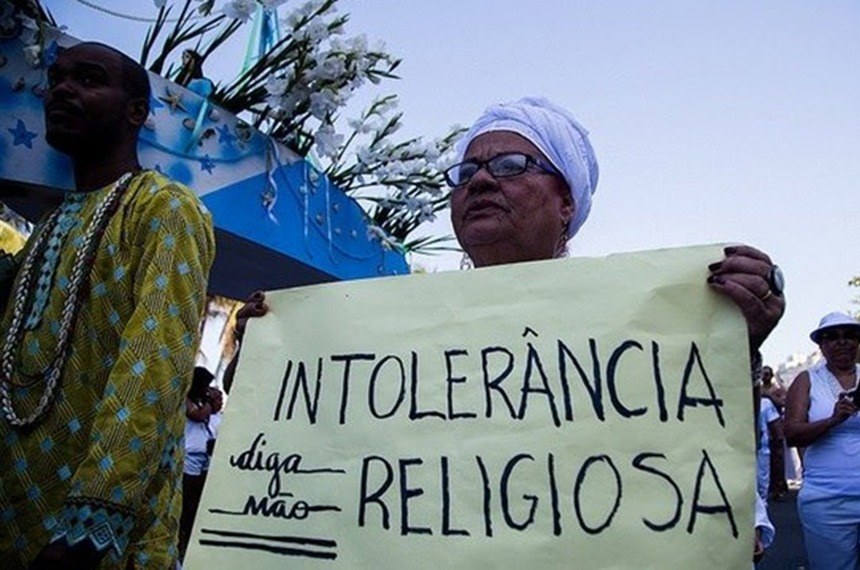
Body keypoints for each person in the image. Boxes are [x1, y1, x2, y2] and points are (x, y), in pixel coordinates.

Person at [227, 97, 786, 563]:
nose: (481, 182)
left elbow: (701, 502)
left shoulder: (649, 323)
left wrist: (728, 340)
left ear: (565, 200)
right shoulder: (389, 329)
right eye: (466, 173)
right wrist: (269, 361)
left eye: (511, 166)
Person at [0, 42, 215, 569]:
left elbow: (153, 368)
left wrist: (91, 525)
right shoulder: (49, 228)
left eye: (89, 79)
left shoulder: (165, 208)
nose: (62, 90)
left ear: (136, 111)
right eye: (57, 79)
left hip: (95, 547)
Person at [784, 311, 860, 570]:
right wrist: (832, 420)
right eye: (832, 337)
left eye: (849, 335)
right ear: (822, 345)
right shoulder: (807, 381)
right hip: (826, 501)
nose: (842, 342)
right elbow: (791, 433)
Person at [178, 367, 223, 562]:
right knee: (186, 498)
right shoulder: (187, 398)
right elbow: (196, 415)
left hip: (204, 454)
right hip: (190, 455)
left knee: (195, 500)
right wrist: (210, 405)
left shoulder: (201, 399)